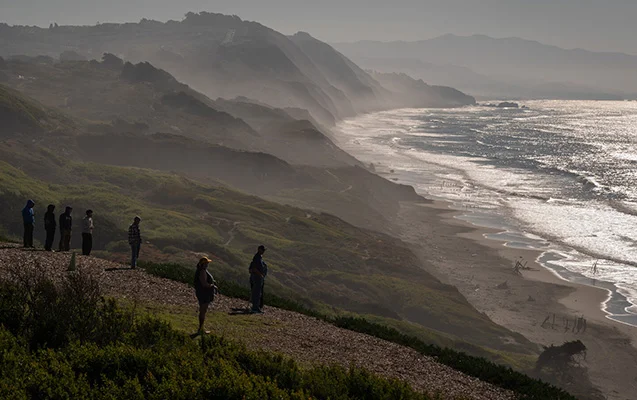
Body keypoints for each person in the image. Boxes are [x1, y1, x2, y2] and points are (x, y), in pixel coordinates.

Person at [194, 257, 218, 334]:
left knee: (203, 310)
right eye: (206, 263)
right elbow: (204, 284)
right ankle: (201, 329)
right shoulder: (202, 271)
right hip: (204, 293)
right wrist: (212, 286)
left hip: (201, 293)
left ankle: (201, 328)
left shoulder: (200, 271)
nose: (207, 264)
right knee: (203, 310)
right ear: (203, 264)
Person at [249, 245, 268, 313]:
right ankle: (255, 308)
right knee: (256, 292)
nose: (263, 251)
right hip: (257, 277)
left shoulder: (259, 257)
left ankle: (256, 307)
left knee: (257, 292)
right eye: (263, 250)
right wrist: (260, 275)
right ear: (259, 249)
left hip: (257, 277)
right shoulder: (257, 258)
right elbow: (254, 268)